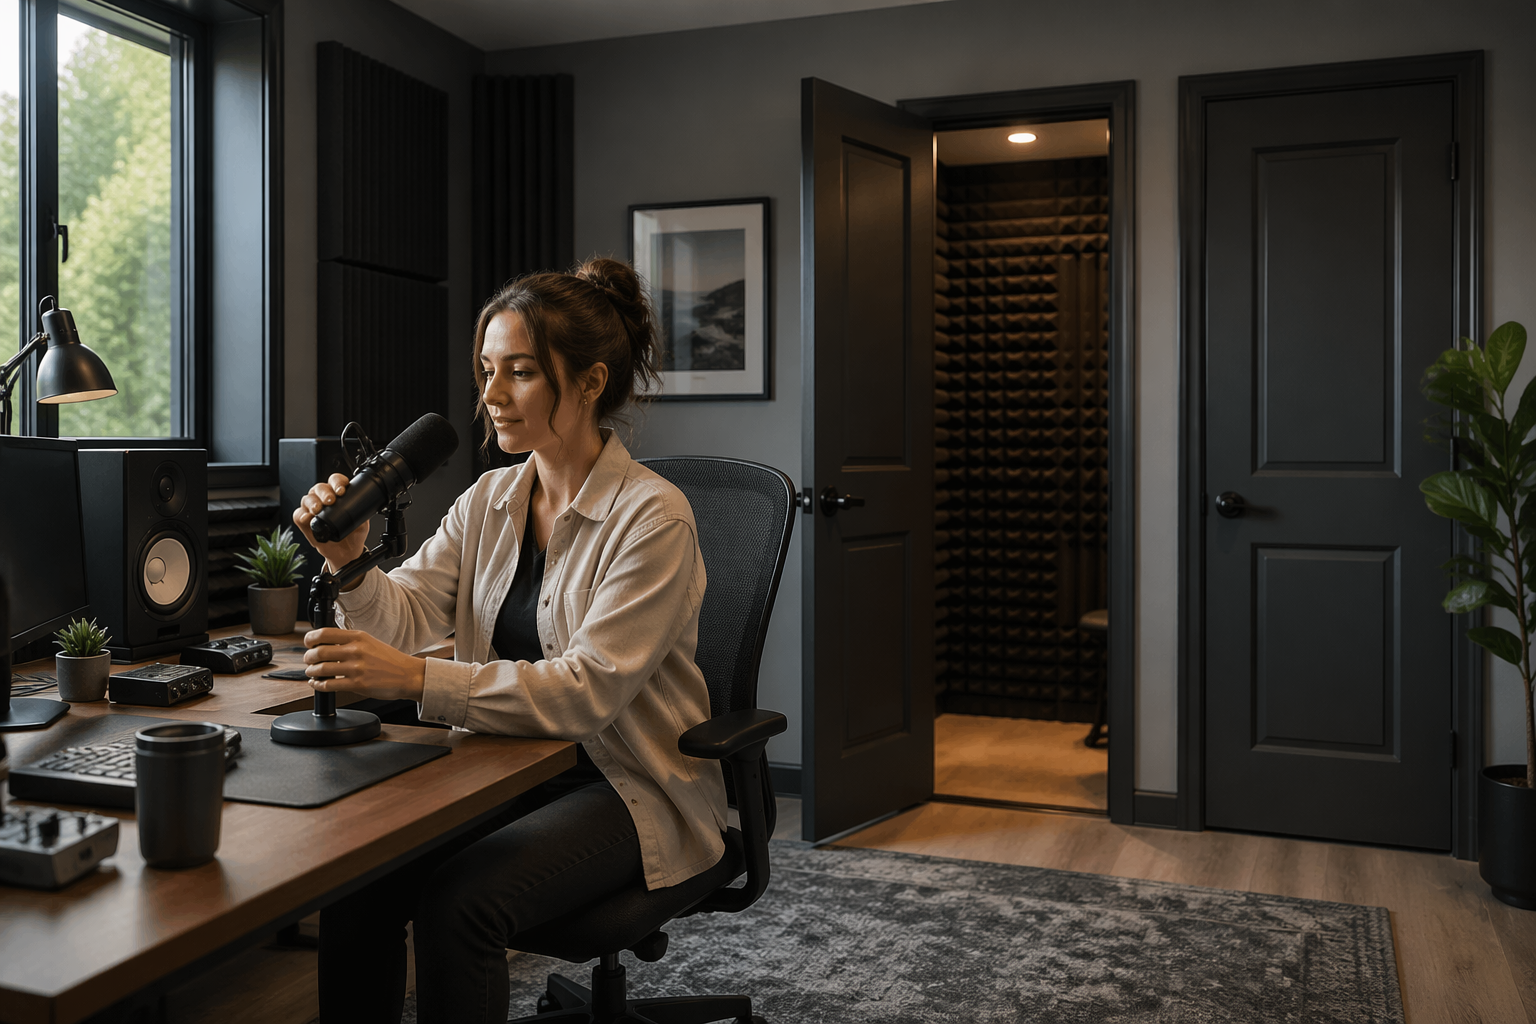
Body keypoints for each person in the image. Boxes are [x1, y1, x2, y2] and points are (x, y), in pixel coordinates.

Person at [291, 257, 727, 1024]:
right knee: (358, 884)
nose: (490, 396)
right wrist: (351, 561)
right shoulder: (489, 498)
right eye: (487, 371)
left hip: (626, 785)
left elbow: (585, 693)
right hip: (504, 767)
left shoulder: (654, 518)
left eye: (519, 373)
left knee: (463, 903)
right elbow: (406, 618)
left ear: (590, 383)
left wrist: (417, 682)